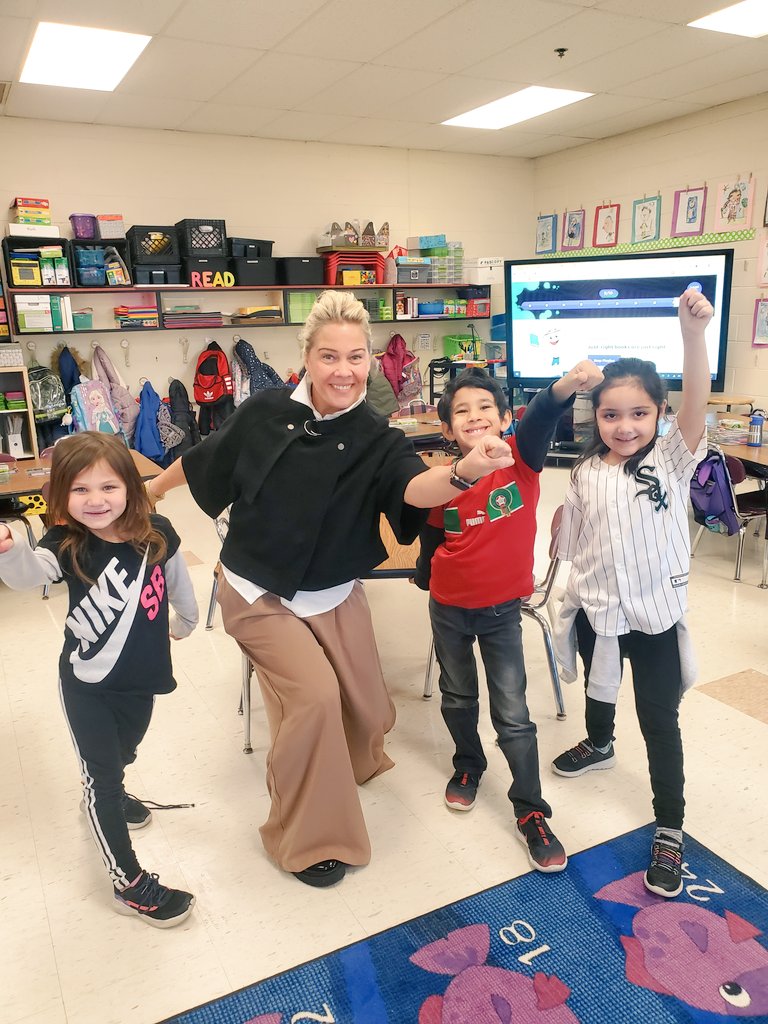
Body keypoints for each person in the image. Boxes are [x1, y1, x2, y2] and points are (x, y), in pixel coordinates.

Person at [145, 290, 515, 889]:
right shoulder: (265, 409)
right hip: (256, 588)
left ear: (370, 361)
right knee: (313, 697)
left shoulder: (377, 434)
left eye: (355, 357)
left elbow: (414, 489)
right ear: (307, 359)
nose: (343, 371)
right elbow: (204, 456)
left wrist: (465, 471)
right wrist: (153, 492)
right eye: (328, 357)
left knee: (367, 705)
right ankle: (305, 834)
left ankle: (343, 757)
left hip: (331, 591)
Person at [551, 288, 713, 899]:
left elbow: (696, 400)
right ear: (595, 417)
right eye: (611, 415)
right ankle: (598, 741)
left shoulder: (672, 460)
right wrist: (558, 537)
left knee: (657, 717)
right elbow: (579, 528)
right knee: (599, 685)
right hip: (599, 606)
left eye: (638, 414)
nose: (624, 426)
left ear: (660, 414)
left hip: (655, 618)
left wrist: (692, 336)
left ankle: (669, 827)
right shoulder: (587, 470)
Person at [0, 433, 199, 927]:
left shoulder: (157, 533)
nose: (95, 500)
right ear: (61, 496)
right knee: (101, 780)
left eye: (107, 487)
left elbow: (177, 583)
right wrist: (9, 549)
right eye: (80, 490)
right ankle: (128, 883)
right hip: (86, 684)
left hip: (144, 678)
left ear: (131, 487)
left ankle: (112, 784)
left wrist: (186, 623)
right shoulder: (65, 545)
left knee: (126, 752)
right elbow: (30, 575)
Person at [413, 362, 603, 873]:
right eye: (461, 412)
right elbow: (433, 535)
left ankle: (530, 810)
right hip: (449, 609)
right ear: (449, 430)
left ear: (502, 419)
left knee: (514, 715)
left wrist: (565, 384)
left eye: (484, 408)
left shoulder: (521, 458)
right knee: (457, 697)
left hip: (501, 613)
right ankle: (468, 765)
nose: (474, 417)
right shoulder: (445, 478)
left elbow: (542, 413)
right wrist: (426, 576)